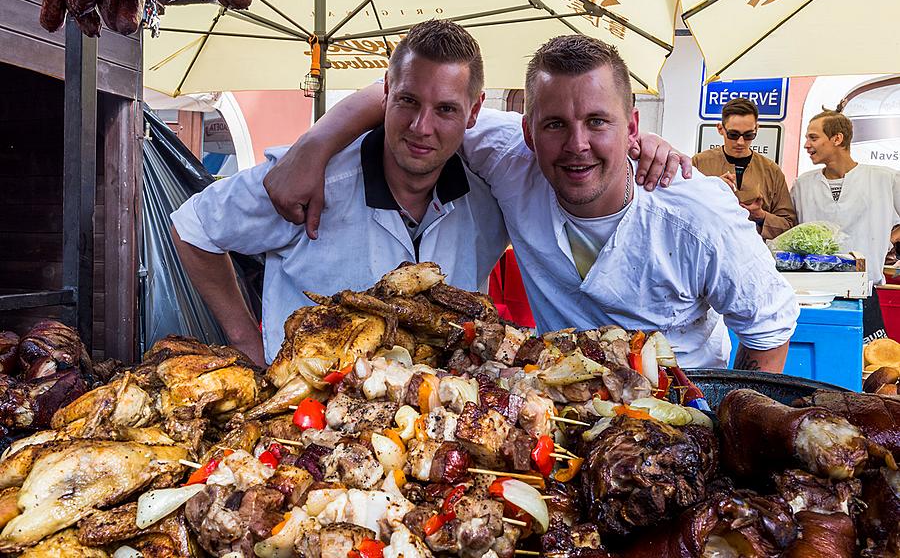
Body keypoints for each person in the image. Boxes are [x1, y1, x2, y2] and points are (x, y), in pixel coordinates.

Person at [268, 34, 798, 372]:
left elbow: (768, 331)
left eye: (598, 121)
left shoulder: (697, 214)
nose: (576, 145)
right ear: (526, 129)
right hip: (564, 408)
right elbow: (410, 96)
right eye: (555, 124)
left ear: (633, 126)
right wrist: (314, 147)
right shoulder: (509, 156)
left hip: (685, 407)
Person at [170, 20, 684, 366]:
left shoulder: (492, 189)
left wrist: (640, 143)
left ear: (474, 112)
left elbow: (574, 148)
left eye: (446, 110)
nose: (421, 127)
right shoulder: (309, 180)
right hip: (306, 428)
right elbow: (193, 228)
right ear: (385, 94)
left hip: (437, 438)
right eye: (408, 101)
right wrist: (243, 339)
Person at [792, 109, 900, 342]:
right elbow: (789, 230)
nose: (806, 145)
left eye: (813, 137)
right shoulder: (802, 185)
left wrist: (890, 238)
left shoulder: (885, 178)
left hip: (864, 293)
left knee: (866, 365)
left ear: (837, 138)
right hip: (812, 294)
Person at [692, 98, 796, 240]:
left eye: (748, 135)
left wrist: (761, 216)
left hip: (754, 255)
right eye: (733, 135)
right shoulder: (699, 163)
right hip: (707, 249)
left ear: (757, 129)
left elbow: (789, 225)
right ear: (720, 129)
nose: (740, 142)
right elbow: (682, 210)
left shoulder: (771, 171)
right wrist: (711, 188)